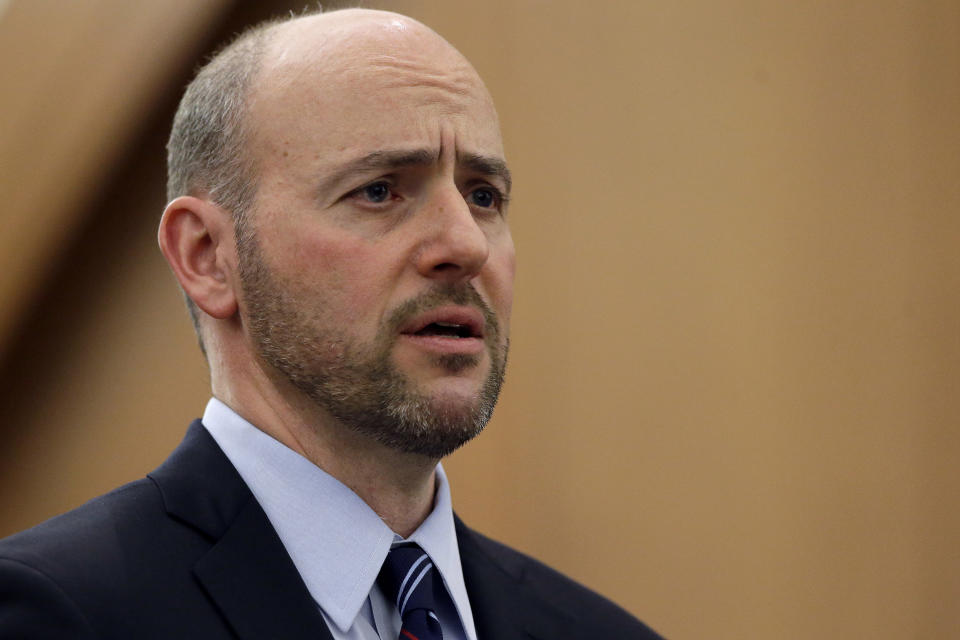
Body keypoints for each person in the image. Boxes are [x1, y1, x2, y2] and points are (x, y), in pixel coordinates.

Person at [0, 8, 663, 639]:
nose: (466, 245)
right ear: (207, 257)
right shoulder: (58, 614)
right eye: (379, 191)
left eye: (483, 196)